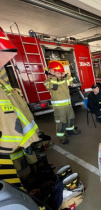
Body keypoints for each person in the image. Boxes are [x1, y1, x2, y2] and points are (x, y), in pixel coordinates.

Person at [0, 27, 40, 188]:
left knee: (27, 160)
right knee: (16, 172)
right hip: (11, 144)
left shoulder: (3, 83)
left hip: (22, 137)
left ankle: (32, 175)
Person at [44, 61, 81, 144]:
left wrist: (65, 75)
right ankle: (61, 137)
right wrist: (52, 75)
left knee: (71, 119)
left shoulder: (63, 80)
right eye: (58, 73)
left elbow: (71, 82)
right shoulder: (48, 81)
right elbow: (54, 86)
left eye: (61, 73)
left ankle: (70, 131)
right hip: (59, 108)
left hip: (68, 106)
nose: (60, 74)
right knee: (61, 123)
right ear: (52, 72)